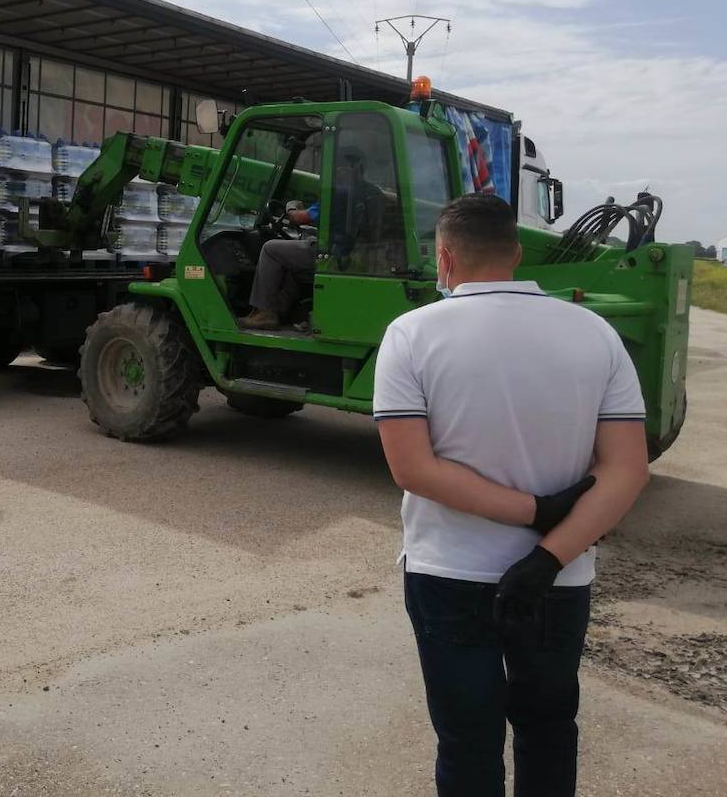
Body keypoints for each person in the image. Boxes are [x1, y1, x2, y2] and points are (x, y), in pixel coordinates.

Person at [373, 193, 651, 797]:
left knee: (467, 740)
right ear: (518, 254)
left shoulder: (410, 334)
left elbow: (413, 468)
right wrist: (548, 553)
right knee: (549, 727)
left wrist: (528, 512)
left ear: (444, 257)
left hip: (448, 572)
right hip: (560, 580)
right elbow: (628, 468)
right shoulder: (596, 334)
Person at [238, 144, 380, 330]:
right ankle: (280, 308)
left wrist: (291, 208)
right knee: (296, 257)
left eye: (338, 167)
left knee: (271, 249)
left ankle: (265, 312)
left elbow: (300, 218)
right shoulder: (372, 192)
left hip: (333, 252)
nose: (335, 171)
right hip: (356, 252)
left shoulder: (339, 192)